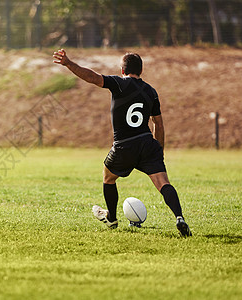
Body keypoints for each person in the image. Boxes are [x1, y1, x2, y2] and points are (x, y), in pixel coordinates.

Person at [52, 49, 192, 237]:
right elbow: (158, 122)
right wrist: (159, 151)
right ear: (140, 71)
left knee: (108, 177)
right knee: (163, 183)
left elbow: (92, 77)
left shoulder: (118, 83)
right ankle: (179, 218)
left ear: (122, 70)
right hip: (146, 143)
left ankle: (112, 218)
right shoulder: (151, 91)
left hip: (124, 144)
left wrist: (69, 63)